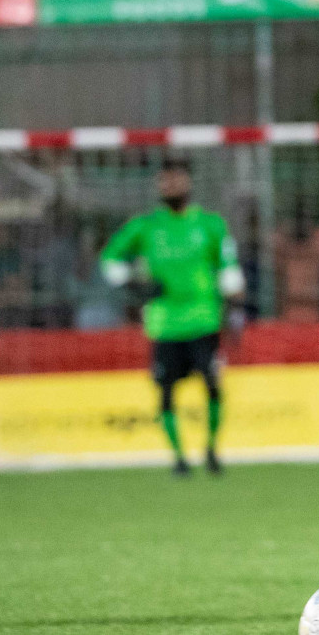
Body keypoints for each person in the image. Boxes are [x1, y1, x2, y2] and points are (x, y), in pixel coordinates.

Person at [100, 158, 245, 476]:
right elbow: (109, 260)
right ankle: (179, 458)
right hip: (164, 323)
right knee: (166, 390)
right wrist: (133, 281)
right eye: (164, 182)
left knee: (212, 384)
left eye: (175, 180)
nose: (170, 187)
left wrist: (235, 310)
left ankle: (211, 450)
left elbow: (229, 267)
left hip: (204, 319)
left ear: (189, 183)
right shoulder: (146, 226)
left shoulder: (210, 224)